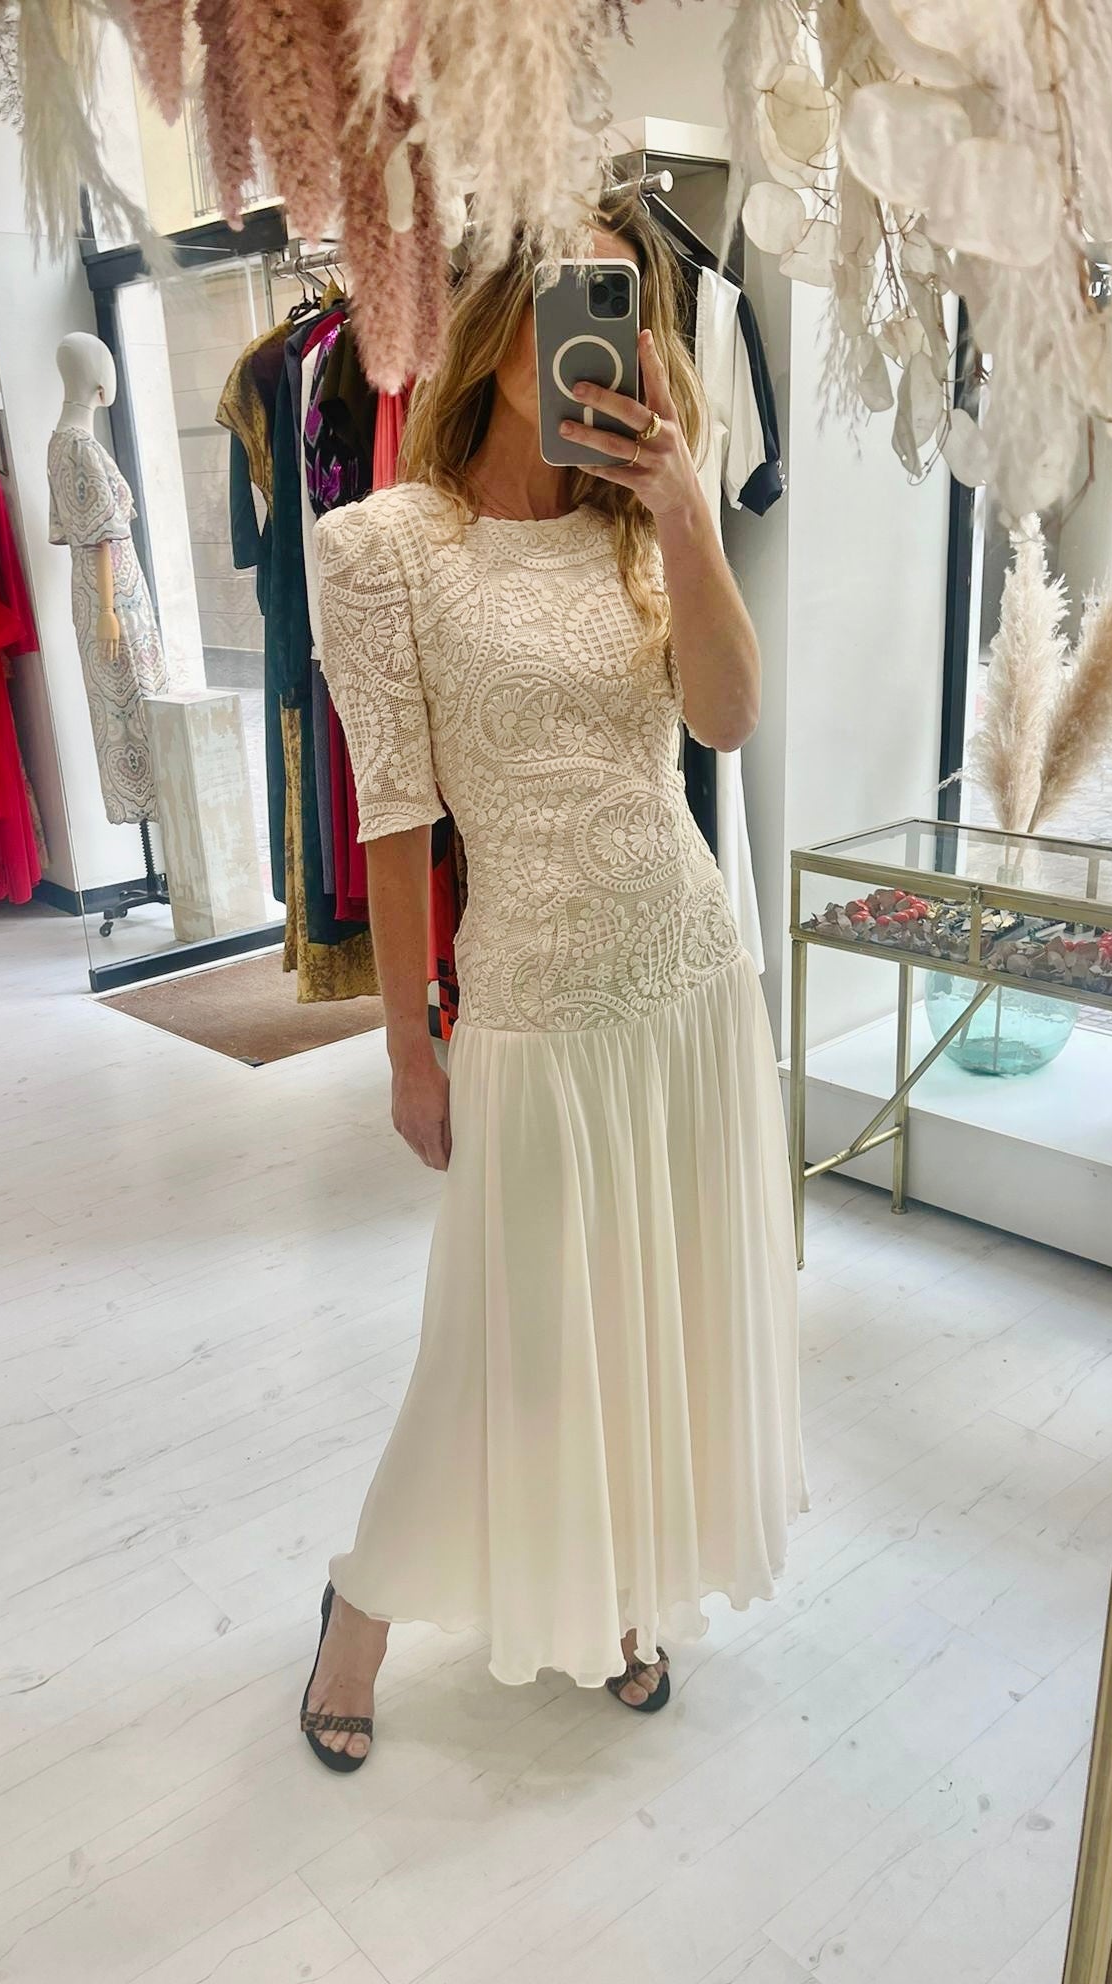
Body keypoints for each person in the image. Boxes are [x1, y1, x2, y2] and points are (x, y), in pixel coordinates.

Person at [301, 191, 804, 1770]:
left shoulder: (642, 521)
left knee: (654, 1322)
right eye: (562, 286)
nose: (590, 321)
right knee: (505, 1341)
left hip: (690, 982)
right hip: (529, 996)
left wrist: (687, 513)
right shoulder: (380, 549)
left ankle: (618, 1596)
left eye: (617, 293)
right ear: (493, 309)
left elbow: (725, 722)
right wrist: (408, 1048)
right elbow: (393, 818)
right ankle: (361, 1606)